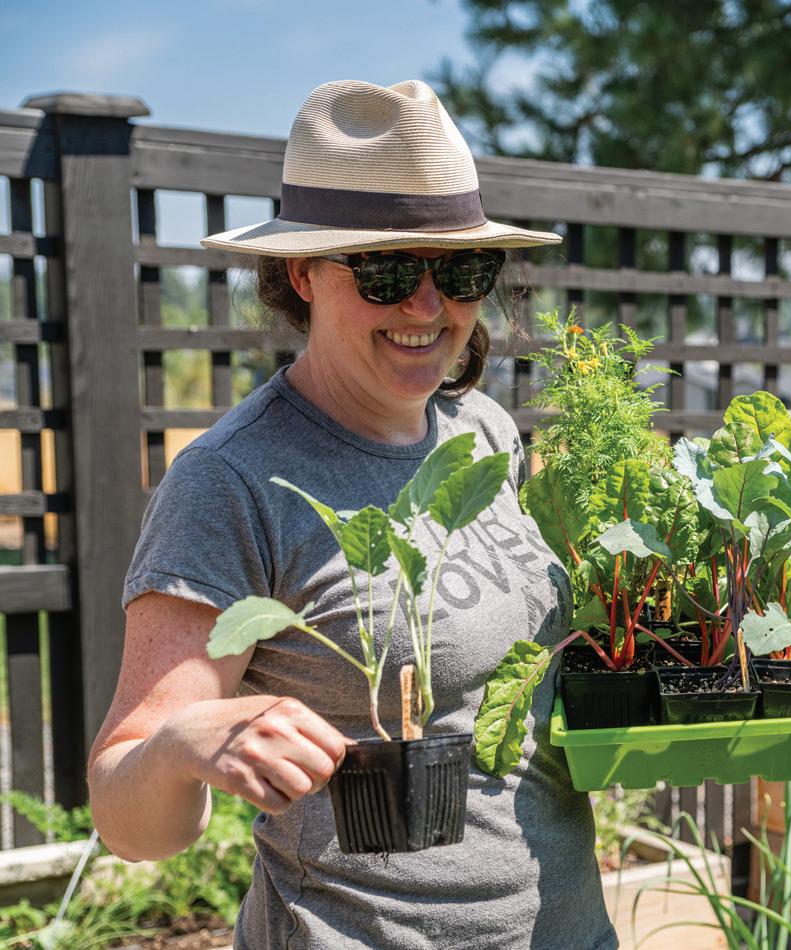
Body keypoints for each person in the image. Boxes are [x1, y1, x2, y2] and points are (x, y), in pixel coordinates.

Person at [86, 79, 617, 949]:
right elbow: (127, 821)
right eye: (387, 271)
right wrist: (184, 743)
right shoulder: (233, 481)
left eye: (460, 272)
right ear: (303, 273)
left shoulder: (484, 430)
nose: (427, 306)